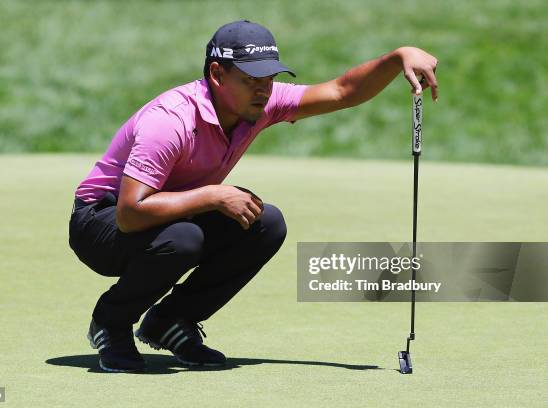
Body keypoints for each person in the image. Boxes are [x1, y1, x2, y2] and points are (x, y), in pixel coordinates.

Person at [68, 19, 439, 372]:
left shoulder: (258, 103)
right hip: (100, 222)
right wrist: (213, 195)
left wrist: (396, 57)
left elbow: (341, 91)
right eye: (250, 79)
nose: (263, 90)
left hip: (164, 215)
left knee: (264, 223)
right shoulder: (170, 121)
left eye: (269, 78)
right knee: (183, 238)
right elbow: (130, 214)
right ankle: (110, 322)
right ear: (217, 74)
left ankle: (170, 321)